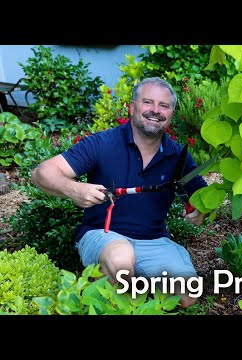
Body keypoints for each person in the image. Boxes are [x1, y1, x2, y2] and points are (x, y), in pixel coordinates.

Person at [31, 77, 208, 308]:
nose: (155, 111)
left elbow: (201, 195)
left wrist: (201, 210)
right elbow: (41, 173)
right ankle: (106, 293)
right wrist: (75, 189)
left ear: (171, 113)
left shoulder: (177, 155)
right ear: (132, 107)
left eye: (164, 106)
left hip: (154, 241)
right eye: (148, 102)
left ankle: (120, 287)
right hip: (103, 235)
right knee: (121, 260)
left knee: (186, 295)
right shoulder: (102, 143)